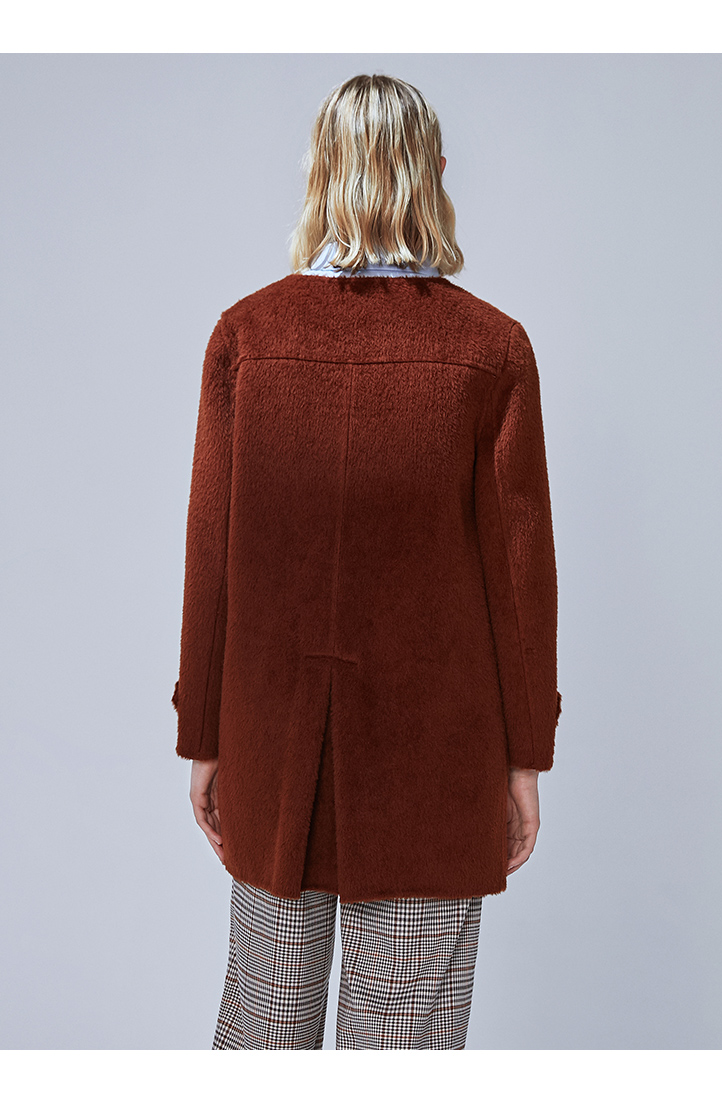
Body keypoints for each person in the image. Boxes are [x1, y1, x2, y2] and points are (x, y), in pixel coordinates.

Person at [172, 73, 562, 1050]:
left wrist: (205, 734)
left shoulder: (246, 337)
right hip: (435, 758)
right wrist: (525, 755)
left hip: (274, 746)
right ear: (435, 173)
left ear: (320, 174)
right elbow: (521, 581)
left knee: (264, 1031)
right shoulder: (493, 350)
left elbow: (211, 555)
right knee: (404, 1048)